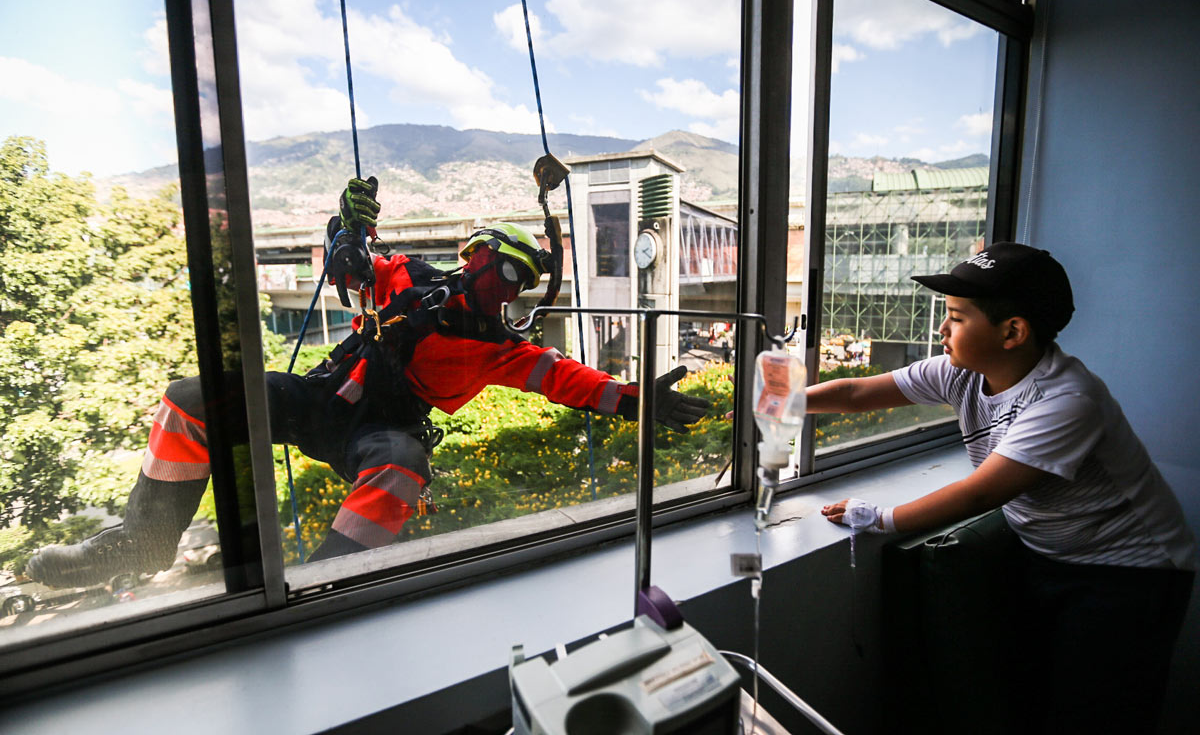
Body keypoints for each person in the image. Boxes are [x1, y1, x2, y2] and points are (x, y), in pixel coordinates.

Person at [28, 177, 711, 587]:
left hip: (384, 428)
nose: (510, 293)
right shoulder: (408, 277)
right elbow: (351, 267)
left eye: (520, 287)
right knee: (189, 400)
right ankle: (141, 539)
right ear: (475, 257)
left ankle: (334, 575)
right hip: (324, 401)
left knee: (403, 464)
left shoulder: (495, 347)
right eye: (507, 274)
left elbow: (566, 378)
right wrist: (347, 231)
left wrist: (631, 400)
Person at [813, 242, 1196, 733]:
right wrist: (772, 401)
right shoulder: (962, 374)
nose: (941, 330)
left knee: (1097, 711)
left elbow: (980, 494)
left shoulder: (1067, 401)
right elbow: (855, 393)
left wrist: (877, 517)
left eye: (956, 317)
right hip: (1048, 553)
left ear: (1012, 331)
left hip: (1129, 572)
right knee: (1034, 696)